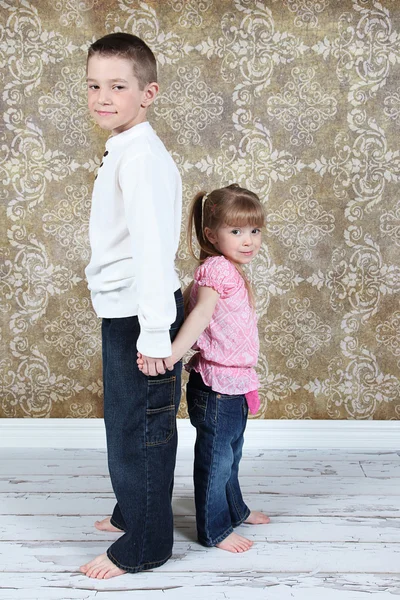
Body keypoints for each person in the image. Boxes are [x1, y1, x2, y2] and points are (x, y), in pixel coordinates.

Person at [81, 32, 183, 579]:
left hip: (142, 314)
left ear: (148, 93)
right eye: (94, 85)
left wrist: (154, 334)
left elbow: (150, 249)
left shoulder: (140, 156)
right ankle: (132, 509)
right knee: (126, 419)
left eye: (118, 86)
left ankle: (145, 544)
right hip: (125, 308)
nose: (103, 96)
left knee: (142, 425)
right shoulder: (125, 147)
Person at [139, 184, 270, 553]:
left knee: (232, 454)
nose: (249, 240)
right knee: (216, 460)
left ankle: (234, 508)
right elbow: (199, 315)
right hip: (217, 387)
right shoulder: (217, 269)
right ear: (212, 235)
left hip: (236, 383)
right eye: (236, 231)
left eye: (254, 231)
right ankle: (214, 529)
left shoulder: (228, 269)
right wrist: (171, 354)